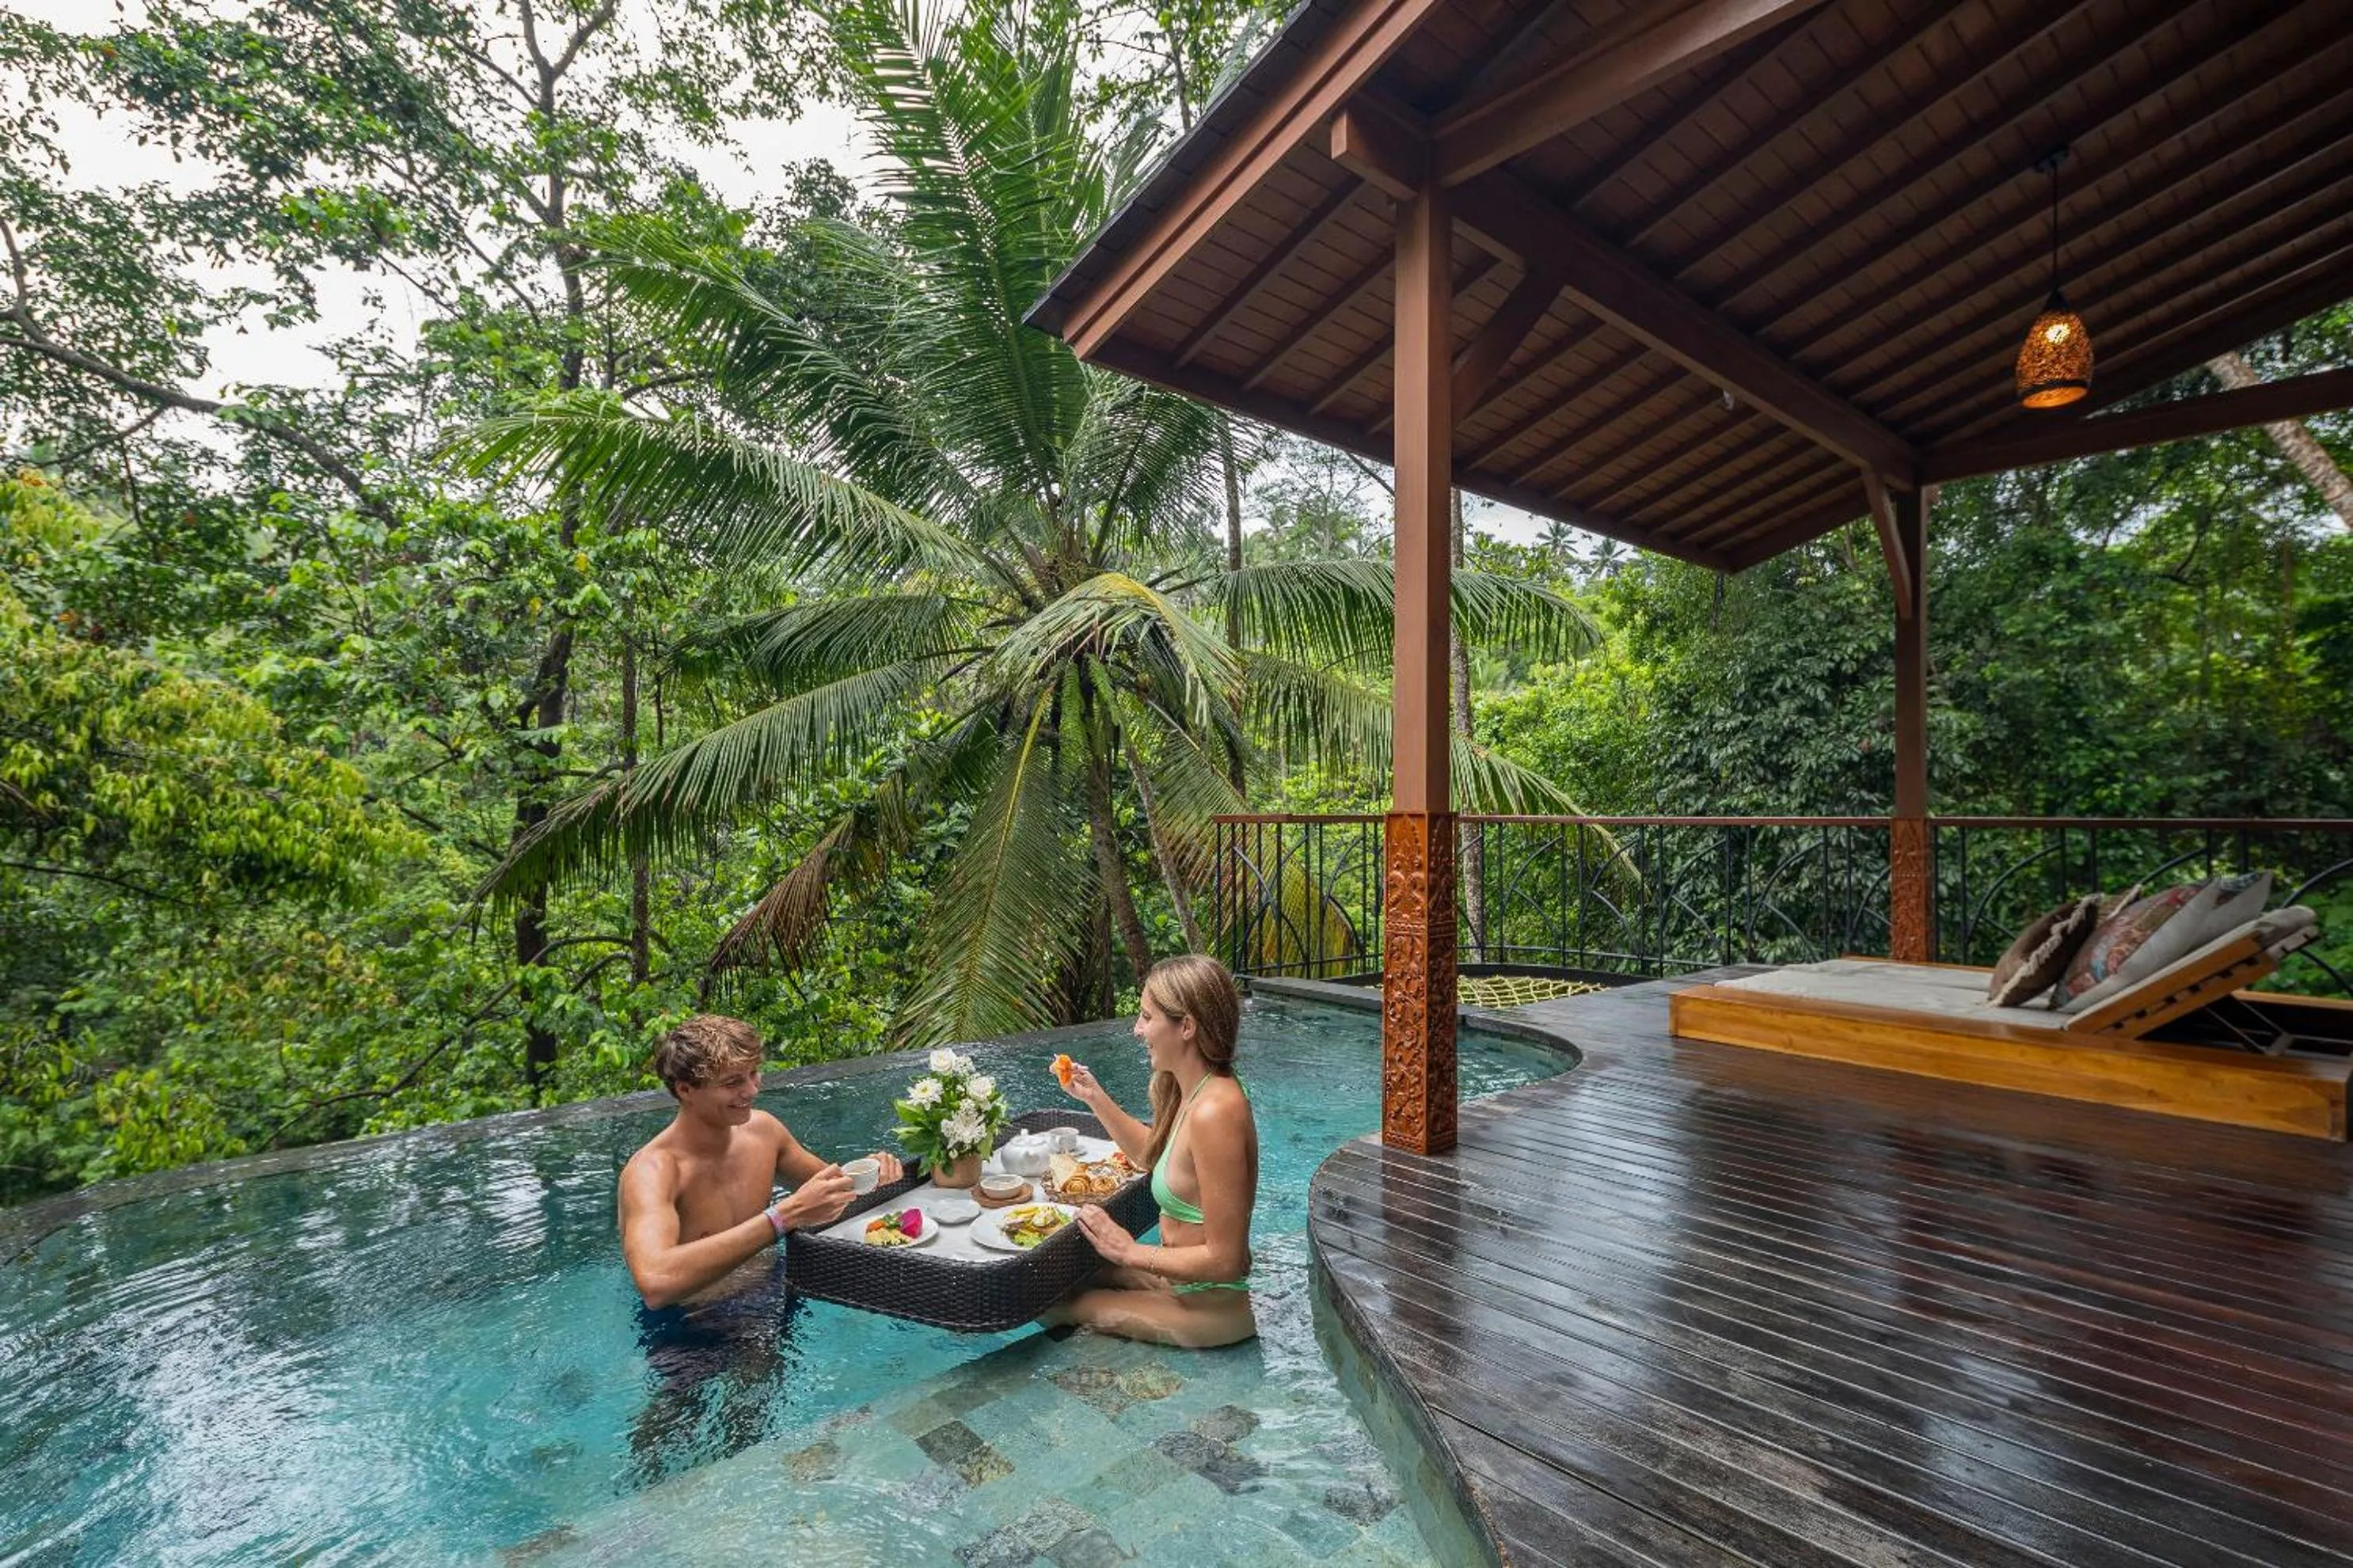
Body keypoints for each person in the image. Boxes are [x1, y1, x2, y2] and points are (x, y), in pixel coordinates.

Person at [618, 1014, 902, 1309]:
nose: (752, 1090)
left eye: (753, 1073)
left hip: (775, 1288)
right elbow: (655, 1283)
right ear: (685, 1090)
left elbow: (832, 1192)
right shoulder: (653, 1171)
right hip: (692, 1325)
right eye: (732, 1083)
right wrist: (783, 1218)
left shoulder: (763, 1132)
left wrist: (871, 1174)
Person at [1047, 954, 1258, 1349]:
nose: (1137, 1030)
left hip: (1210, 1310)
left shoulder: (1216, 1112)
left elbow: (1227, 1259)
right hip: (1180, 1286)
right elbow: (1160, 1161)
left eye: (1146, 1017)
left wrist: (1130, 1252)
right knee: (1057, 1275)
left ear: (1187, 1027)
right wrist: (1094, 1098)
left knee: (1060, 1302)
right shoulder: (1193, 1089)